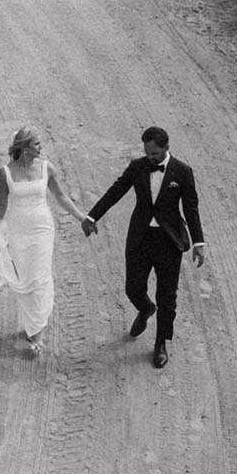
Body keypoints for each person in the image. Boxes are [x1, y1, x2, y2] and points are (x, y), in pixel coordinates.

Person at [81, 125, 204, 369]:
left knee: (167, 297)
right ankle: (146, 308)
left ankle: (161, 343)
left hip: (169, 241)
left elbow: (191, 209)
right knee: (132, 287)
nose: (151, 158)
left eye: (155, 154)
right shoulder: (138, 167)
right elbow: (116, 191)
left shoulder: (182, 172)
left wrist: (198, 243)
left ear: (166, 148)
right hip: (140, 237)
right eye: (148, 153)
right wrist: (92, 217)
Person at [0, 124, 78, 353]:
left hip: (42, 229)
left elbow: (61, 196)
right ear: (24, 147)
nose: (40, 147)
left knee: (40, 277)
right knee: (25, 280)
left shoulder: (46, 168)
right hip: (17, 230)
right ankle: (32, 324)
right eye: (36, 143)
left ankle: (36, 333)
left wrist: (82, 218)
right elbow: (2, 202)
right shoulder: (5, 172)